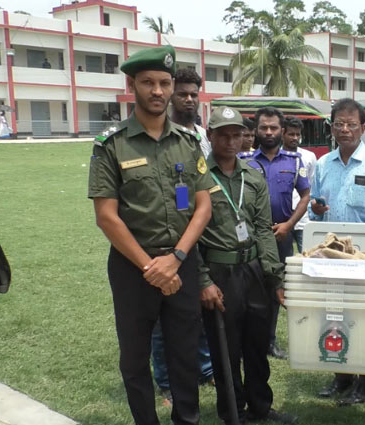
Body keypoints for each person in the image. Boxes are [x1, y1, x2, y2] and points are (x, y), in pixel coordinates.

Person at [88, 45, 214, 425]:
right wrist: (151, 267)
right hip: (133, 267)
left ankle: (186, 420)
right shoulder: (111, 144)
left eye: (164, 83)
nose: (157, 91)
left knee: (185, 353)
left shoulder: (188, 142)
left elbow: (203, 206)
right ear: (133, 85)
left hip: (181, 261)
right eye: (148, 83)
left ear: (172, 87)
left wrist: (175, 258)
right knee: (134, 357)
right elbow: (106, 217)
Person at [200, 106, 296, 424]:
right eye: (223, 134)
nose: (230, 140)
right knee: (226, 349)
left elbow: (262, 231)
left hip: (253, 270)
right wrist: (203, 281)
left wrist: (275, 277)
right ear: (210, 135)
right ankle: (232, 412)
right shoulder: (196, 177)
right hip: (219, 272)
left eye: (236, 133)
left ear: (245, 136)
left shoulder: (253, 177)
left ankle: (260, 407)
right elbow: (189, 234)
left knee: (257, 343)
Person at [310, 98, 365, 406]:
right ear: (331, 127)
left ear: (363, 127)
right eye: (339, 124)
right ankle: (341, 376)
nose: (345, 130)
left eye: (351, 124)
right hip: (332, 258)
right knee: (334, 315)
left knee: (364, 318)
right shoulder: (322, 165)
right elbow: (315, 215)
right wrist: (316, 209)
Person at [150, 67, 213, 406]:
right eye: (183, 93)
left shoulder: (202, 137)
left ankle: (203, 369)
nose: (188, 99)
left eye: (193, 94)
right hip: (168, 239)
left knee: (197, 309)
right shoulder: (160, 136)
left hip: (202, 235)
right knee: (163, 317)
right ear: (172, 94)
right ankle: (165, 381)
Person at [239, 107, 311, 360]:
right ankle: (246, 339)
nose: (268, 132)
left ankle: (269, 341)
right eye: (263, 127)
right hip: (249, 239)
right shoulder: (244, 161)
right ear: (256, 130)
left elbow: (305, 196)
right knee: (246, 289)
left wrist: (289, 225)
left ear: (282, 130)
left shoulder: (294, 162)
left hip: (281, 236)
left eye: (273, 128)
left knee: (275, 290)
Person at [281, 117, 317, 252]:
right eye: (291, 134)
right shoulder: (275, 156)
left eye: (298, 134)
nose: (295, 138)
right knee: (284, 260)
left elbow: (313, 186)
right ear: (283, 133)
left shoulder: (309, 156)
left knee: (308, 257)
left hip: (304, 220)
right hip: (282, 219)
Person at [169, 68, 211, 158]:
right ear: (171, 97)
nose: (189, 99)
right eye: (182, 95)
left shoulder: (204, 135)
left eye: (193, 95)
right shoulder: (163, 135)